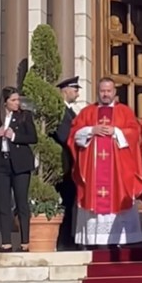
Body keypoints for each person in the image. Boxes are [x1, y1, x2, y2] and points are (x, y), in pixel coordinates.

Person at [68, 77, 142, 247]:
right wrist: (91, 130)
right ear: (98, 91)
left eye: (109, 91)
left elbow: (134, 133)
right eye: (102, 90)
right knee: (93, 199)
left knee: (119, 194)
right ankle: (94, 240)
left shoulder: (124, 112)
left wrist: (116, 131)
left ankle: (121, 240)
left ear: (114, 92)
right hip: (93, 172)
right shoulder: (87, 112)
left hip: (118, 171)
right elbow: (74, 135)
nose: (105, 94)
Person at [0, 86, 38, 252]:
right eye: (13, 100)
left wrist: (14, 136)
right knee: (3, 204)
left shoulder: (25, 116)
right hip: (0, 164)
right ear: (5, 102)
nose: (17, 103)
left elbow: (32, 137)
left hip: (20, 164)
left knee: (21, 203)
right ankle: (5, 242)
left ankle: (24, 242)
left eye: (17, 99)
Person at [52, 76, 81, 250]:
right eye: (74, 88)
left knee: (70, 202)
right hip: (63, 162)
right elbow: (64, 136)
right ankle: (62, 241)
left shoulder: (71, 112)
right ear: (65, 90)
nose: (77, 92)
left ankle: (67, 239)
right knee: (65, 201)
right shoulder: (59, 111)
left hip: (72, 163)